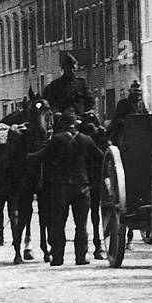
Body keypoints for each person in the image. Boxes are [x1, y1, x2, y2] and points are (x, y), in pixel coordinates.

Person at [36, 108, 103, 266]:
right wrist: (91, 179)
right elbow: (100, 157)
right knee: (81, 224)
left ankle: (58, 257)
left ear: (63, 123)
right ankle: (81, 257)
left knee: (58, 223)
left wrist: (27, 157)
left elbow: (41, 156)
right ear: (76, 124)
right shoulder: (86, 139)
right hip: (82, 187)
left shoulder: (57, 139)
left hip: (61, 187)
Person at [45, 52, 94, 119]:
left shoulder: (81, 83)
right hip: (63, 118)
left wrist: (90, 110)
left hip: (81, 117)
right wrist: (56, 112)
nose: (72, 71)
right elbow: (51, 102)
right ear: (65, 68)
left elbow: (89, 99)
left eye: (74, 68)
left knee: (95, 125)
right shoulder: (55, 85)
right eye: (70, 68)